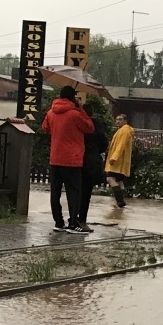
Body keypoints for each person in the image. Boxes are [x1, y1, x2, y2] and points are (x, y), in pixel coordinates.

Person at [42, 85, 94, 233]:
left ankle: (58, 222)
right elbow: (89, 127)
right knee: (74, 192)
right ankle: (73, 223)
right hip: (72, 160)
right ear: (72, 97)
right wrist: (81, 108)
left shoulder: (51, 112)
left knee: (55, 192)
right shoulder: (75, 114)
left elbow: (45, 128)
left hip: (55, 158)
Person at [73, 95, 111, 232]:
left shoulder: (75, 121)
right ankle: (82, 220)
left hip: (75, 159)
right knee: (86, 193)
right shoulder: (96, 124)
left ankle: (73, 219)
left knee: (75, 191)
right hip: (91, 162)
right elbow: (104, 143)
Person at [106, 108, 135, 208]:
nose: (118, 121)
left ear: (125, 120)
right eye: (117, 119)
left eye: (120, 119)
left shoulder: (125, 130)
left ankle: (120, 201)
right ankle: (120, 201)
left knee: (110, 178)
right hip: (121, 161)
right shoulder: (122, 130)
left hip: (118, 161)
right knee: (119, 181)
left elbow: (121, 145)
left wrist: (114, 157)